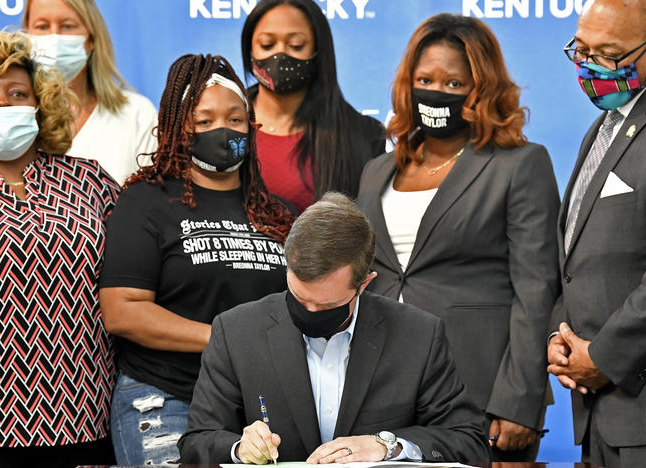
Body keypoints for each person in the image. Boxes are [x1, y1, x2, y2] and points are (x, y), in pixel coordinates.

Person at [356, 14, 560, 462]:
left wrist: (518, 399)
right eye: (425, 79)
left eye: (454, 84)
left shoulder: (520, 164)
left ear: (480, 90)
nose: (437, 92)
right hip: (380, 389)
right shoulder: (377, 171)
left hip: (479, 390)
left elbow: (536, 289)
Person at [178, 192, 489, 464]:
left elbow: (468, 442)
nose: (310, 311)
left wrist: (387, 445)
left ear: (365, 284)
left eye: (327, 306)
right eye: (299, 298)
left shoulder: (418, 335)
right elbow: (197, 441)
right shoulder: (237, 332)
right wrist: (238, 448)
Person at [99, 53, 297, 465]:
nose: (221, 130)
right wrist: (225, 340)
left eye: (235, 119)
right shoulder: (146, 201)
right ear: (179, 129)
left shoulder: (278, 215)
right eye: (204, 121)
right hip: (165, 398)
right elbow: (123, 311)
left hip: (257, 407)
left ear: (251, 126)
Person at [0, 31, 119, 467]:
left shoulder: (90, 181)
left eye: (17, 93)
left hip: (93, 418)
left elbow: (133, 281)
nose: (1, 103)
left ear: (39, 105)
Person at [547, 0, 646, 466]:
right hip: (601, 415)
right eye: (581, 50)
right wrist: (562, 337)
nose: (591, 67)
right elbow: (577, 259)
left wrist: (606, 357)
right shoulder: (605, 125)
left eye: (609, 56)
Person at [240, 0, 386, 212]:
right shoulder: (216, 127)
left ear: (318, 51)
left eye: (297, 45)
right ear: (249, 49)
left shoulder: (364, 136)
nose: (280, 55)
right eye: (267, 45)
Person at [23, 0, 157, 184]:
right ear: (27, 34)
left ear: (91, 38)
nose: (54, 38)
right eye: (42, 26)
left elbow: (151, 203)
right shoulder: (15, 118)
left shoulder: (137, 114)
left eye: (67, 26)